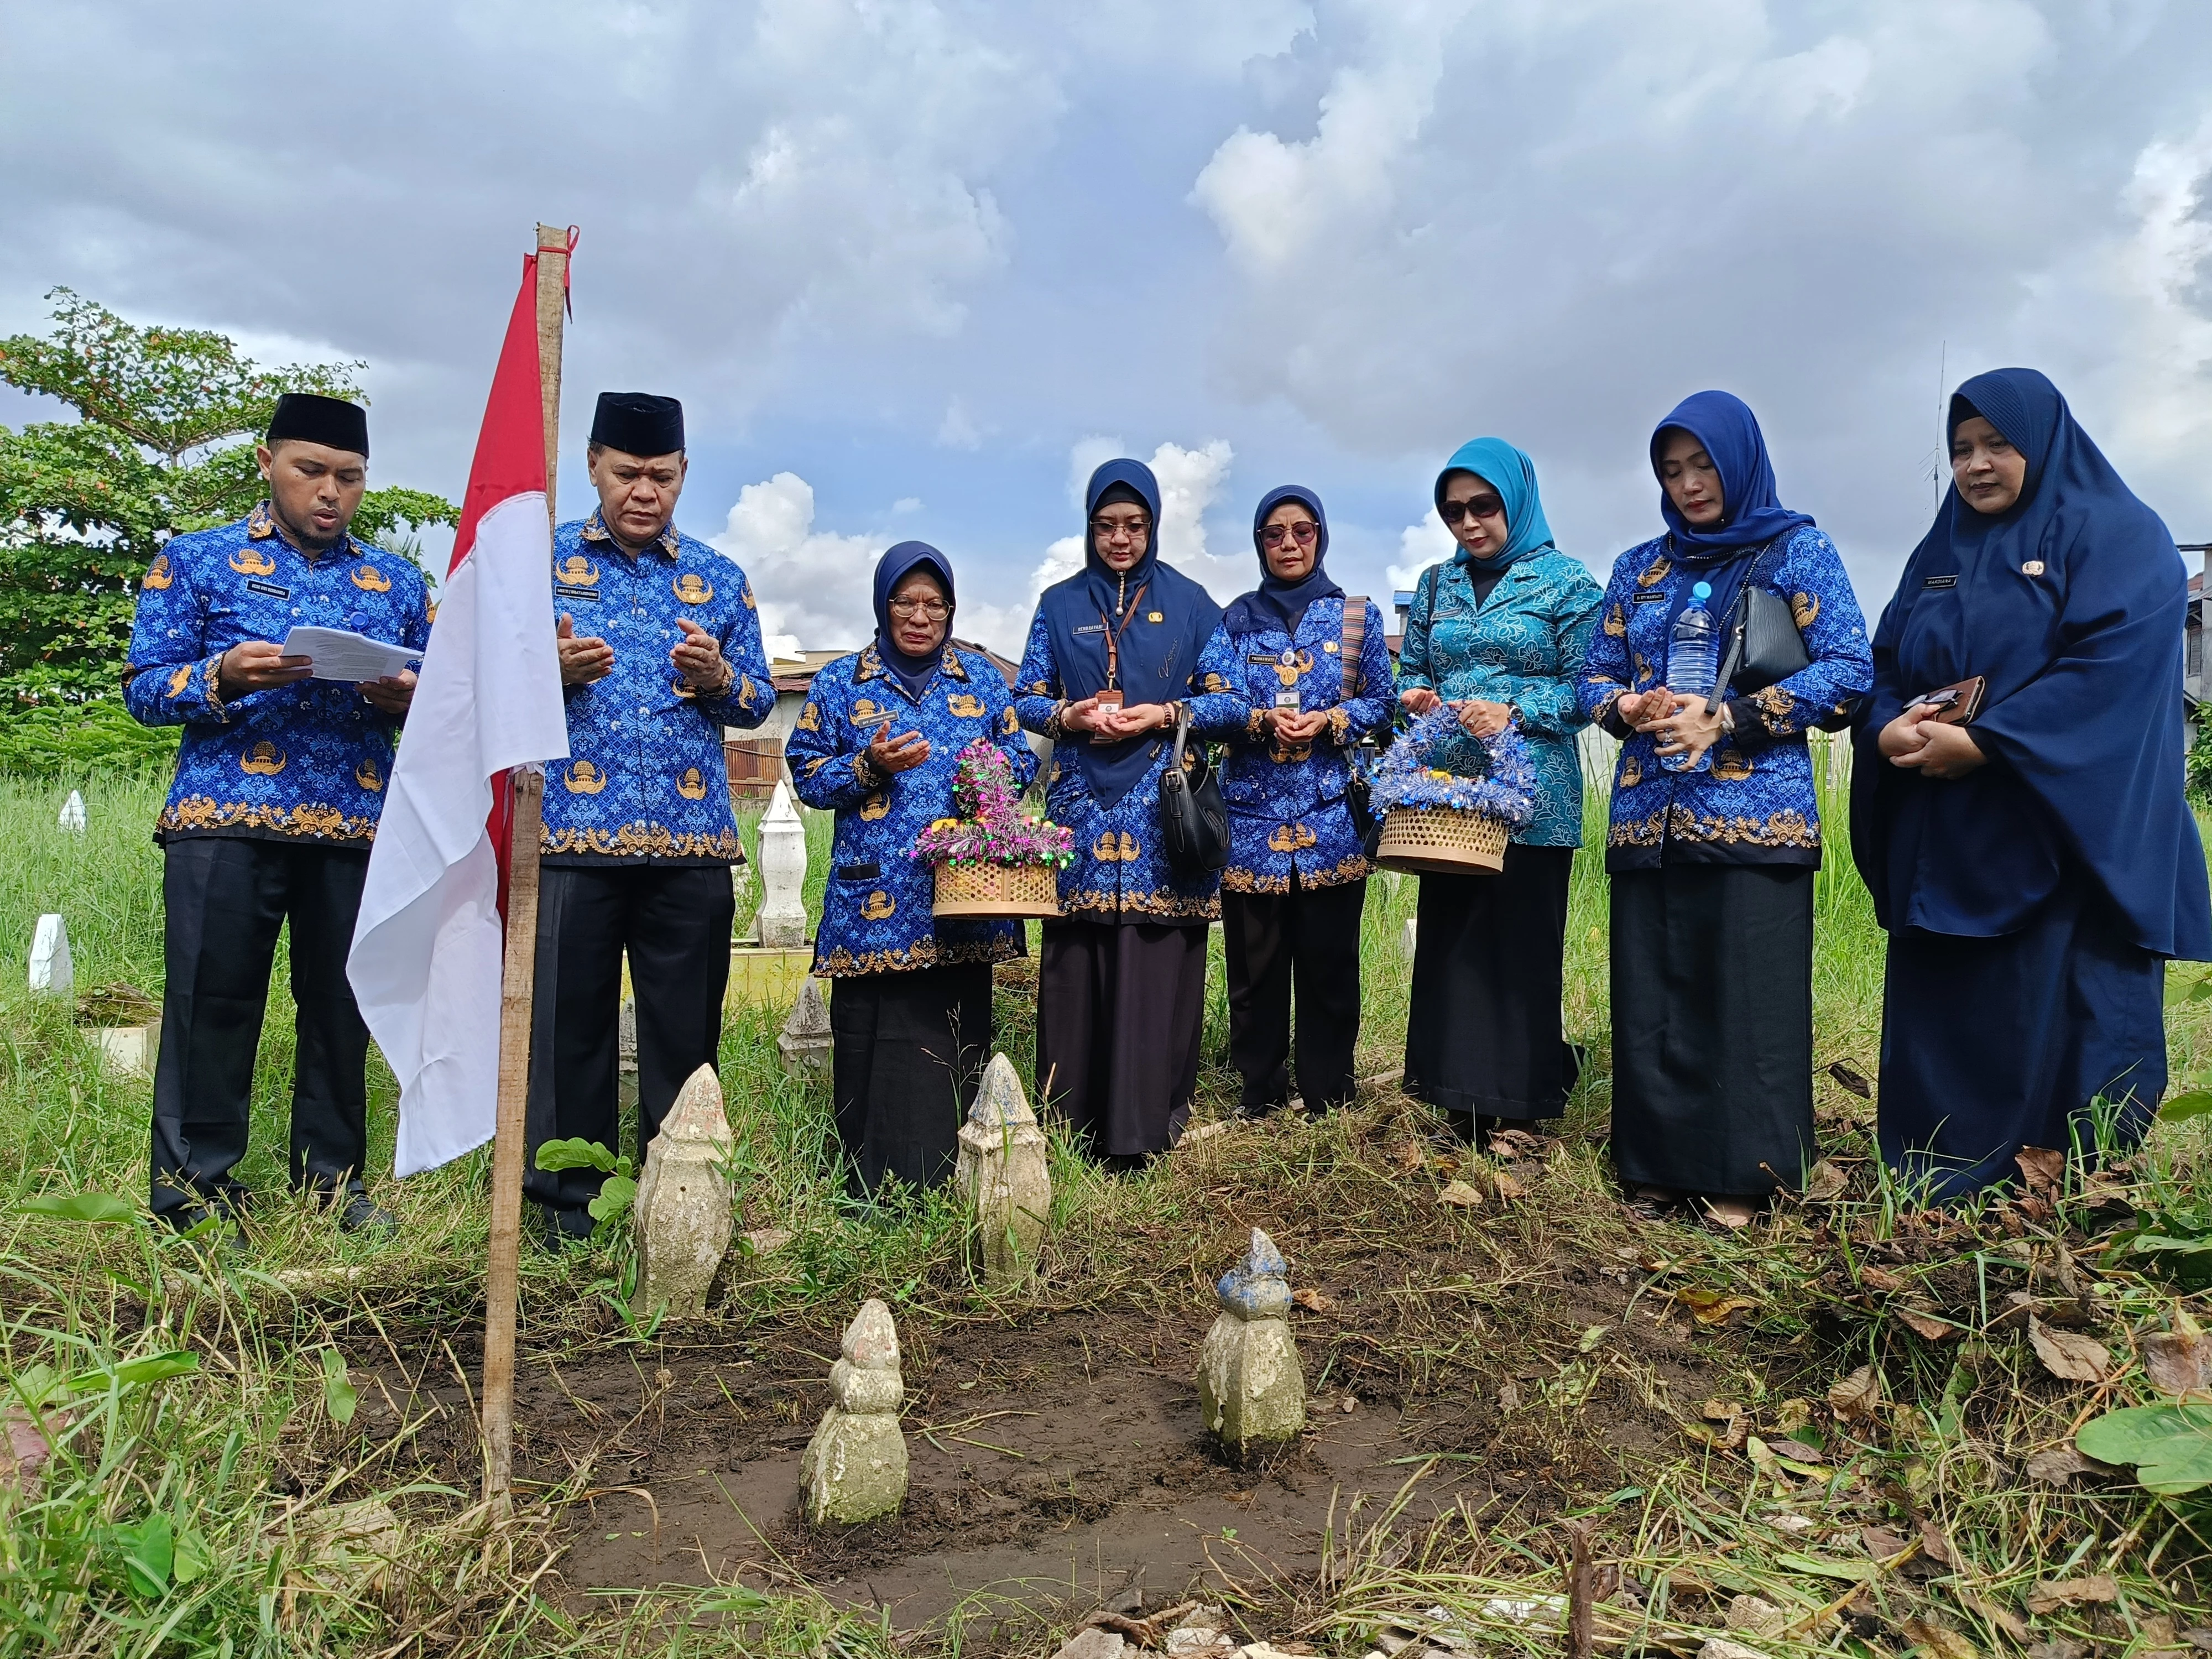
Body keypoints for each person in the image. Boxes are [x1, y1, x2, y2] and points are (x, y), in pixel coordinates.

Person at [1853, 368, 2212, 1199]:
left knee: (2063, 1007)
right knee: (1950, 1008)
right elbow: (1884, 664)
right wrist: (1886, 728)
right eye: (1960, 450)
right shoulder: (1940, 550)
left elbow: (2114, 670)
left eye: (1997, 445)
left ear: (2045, 441)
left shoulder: (2119, 535)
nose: (1976, 466)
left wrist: (1989, 744)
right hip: (1951, 840)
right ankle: (1937, 1179)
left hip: (2064, 833)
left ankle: (2064, 1185)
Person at [125, 393, 429, 1238]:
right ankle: (194, 1190)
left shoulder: (397, 581)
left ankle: (334, 1184)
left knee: (342, 1008)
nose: (330, 492)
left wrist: (403, 696)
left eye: (350, 477)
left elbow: (442, 700)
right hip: (225, 821)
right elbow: (145, 686)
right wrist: (220, 676)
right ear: (267, 464)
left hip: (355, 827)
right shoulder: (195, 561)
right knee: (211, 1004)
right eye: (311, 471)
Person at [1579, 392, 1871, 1227]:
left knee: (1744, 1000)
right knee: (1656, 995)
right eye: (1672, 470)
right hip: (1649, 817)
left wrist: (1733, 717)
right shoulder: (1640, 567)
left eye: (1703, 464)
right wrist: (1626, 709)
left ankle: (1743, 1175)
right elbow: (1591, 677)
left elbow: (1851, 669)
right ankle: (1659, 1165)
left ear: (1738, 461)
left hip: (1756, 819)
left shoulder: (1795, 551)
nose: (1689, 484)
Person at [524, 392, 774, 1241]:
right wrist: (546, 671)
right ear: (593, 464)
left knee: (684, 1037)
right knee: (568, 1037)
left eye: (661, 476)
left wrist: (717, 681)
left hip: (690, 846)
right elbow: (473, 683)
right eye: (627, 473)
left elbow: (759, 699)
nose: (643, 491)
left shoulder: (719, 577)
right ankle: (567, 1215)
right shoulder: (539, 564)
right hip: (569, 842)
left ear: (683, 475)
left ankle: (683, 1202)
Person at [1014, 458, 1248, 1167]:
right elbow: (1024, 696)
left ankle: (1147, 1127)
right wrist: (1069, 713)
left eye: (1135, 526)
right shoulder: (1058, 605)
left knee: (1156, 960)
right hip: (1083, 805)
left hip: (1160, 805)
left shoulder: (1191, 603)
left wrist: (1168, 711)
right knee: (1078, 959)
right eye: (1107, 526)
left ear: (1153, 526)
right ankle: (1071, 1126)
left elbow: (1233, 704)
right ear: (1090, 528)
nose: (1121, 539)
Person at [786, 541, 1037, 1192]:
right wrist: (869, 766)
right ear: (882, 604)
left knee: (951, 1031)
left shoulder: (981, 679)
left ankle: (954, 1177)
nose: (920, 616)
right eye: (906, 601)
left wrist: (988, 774)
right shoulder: (841, 682)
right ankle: (870, 1184)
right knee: (874, 1036)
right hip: (876, 898)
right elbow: (807, 774)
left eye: (935, 603)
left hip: (963, 898)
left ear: (951, 610)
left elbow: (1024, 758)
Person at [1397, 440, 1603, 1142]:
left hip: (1532, 798)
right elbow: (1411, 670)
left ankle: (1520, 1106)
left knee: (1518, 945)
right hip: (1448, 802)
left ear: (1515, 501)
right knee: (1453, 944)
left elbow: (1591, 690)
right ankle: (1453, 1096)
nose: (1468, 524)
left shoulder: (1567, 584)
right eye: (1452, 511)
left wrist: (1511, 707)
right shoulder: (1433, 585)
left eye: (1482, 506)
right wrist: (1416, 698)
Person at [1218, 487, 1392, 1118]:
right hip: (1249, 816)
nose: (1288, 544)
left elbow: (1382, 701)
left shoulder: (1355, 616)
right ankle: (1258, 1091)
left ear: (1320, 536)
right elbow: (1216, 703)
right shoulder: (1233, 620)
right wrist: (1260, 719)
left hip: (1329, 815)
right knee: (1254, 968)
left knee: (1328, 963)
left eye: (1303, 530)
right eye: (1274, 533)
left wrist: (1330, 720)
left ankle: (1328, 1091)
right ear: (1260, 542)